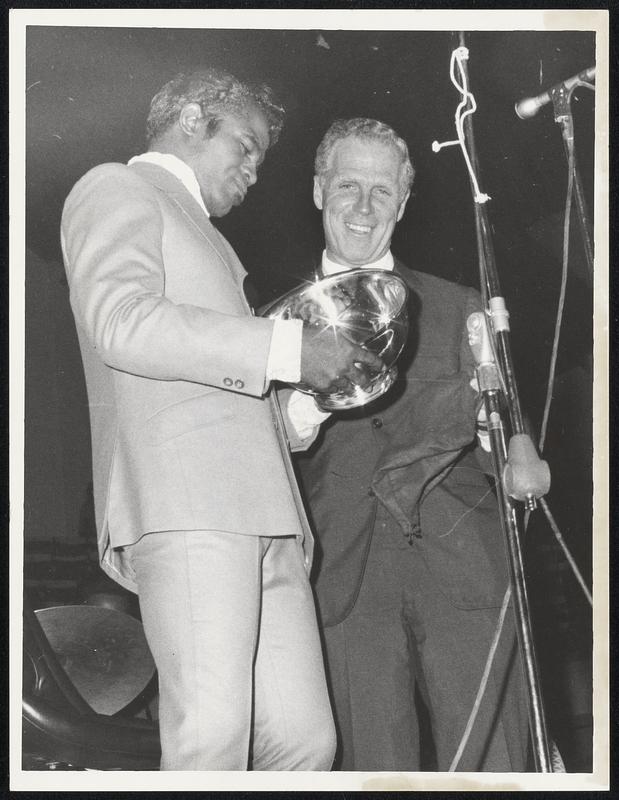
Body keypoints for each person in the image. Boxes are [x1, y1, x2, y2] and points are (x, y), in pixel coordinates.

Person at [60, 72, 384, 771]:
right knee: (212, 734)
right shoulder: (118, 186)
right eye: (244, 147)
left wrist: (298, 411)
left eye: (260, 161)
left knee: (303, 743)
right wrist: (291, 347)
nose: (253, 172)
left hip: (264, 513)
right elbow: (122, 323)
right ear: (189, 117)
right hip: (189, 505)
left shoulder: (208, 237)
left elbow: (220, 382)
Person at [293, 118, 530, 771]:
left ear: (402, 202)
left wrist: (494, 433)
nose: (363, 207)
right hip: (341, 582)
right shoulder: (266, 324)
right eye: (347, 186)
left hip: (463, 573)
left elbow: (509, 444)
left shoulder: (461, 308)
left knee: (496, 768)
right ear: (317, 191)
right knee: (366, 771)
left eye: (381, 190)